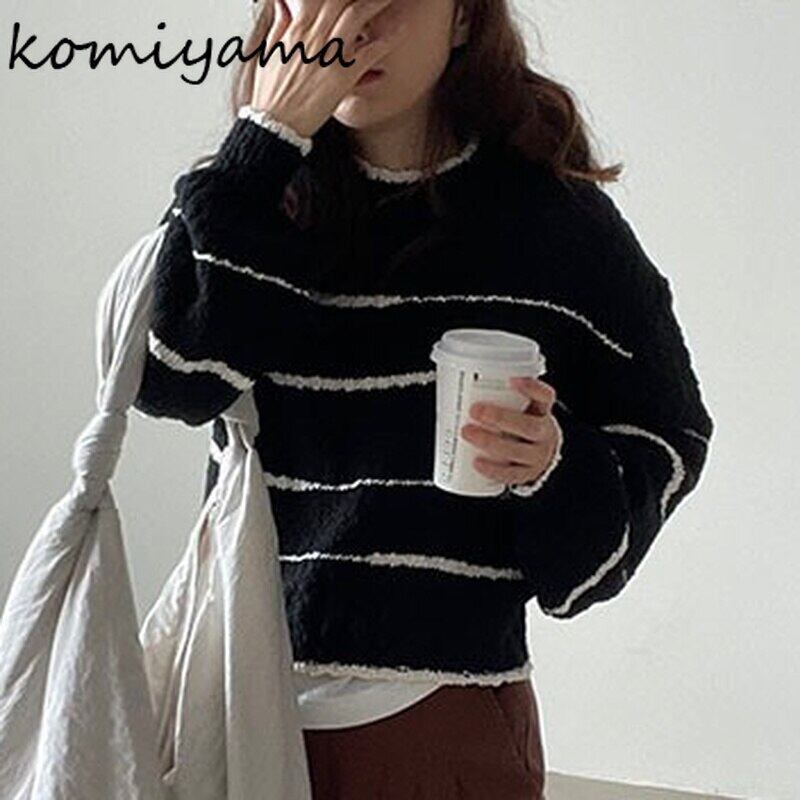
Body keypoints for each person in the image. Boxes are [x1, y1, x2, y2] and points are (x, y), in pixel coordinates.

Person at [130, 0, 715, 797]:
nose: (351, 27)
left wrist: (554, 464)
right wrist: (266, 138)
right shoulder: (248, 202)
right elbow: (172, 379)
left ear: (464, 19)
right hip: (235, 700)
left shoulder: (555, 224)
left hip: (437, 717)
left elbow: (668, 434)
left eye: (389, 1)